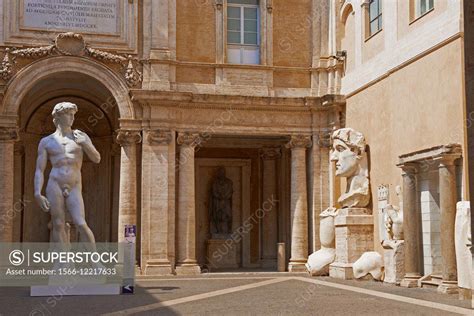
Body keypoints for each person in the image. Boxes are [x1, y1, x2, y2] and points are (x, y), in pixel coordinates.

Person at [34, 102, 101, 245]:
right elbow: (39, 169)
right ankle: (63, 262)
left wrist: (86, 144)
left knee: (80, 223)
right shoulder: (46, 142)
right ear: (57, 117)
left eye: (73, 115)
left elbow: (96, 158)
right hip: (54, 183)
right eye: (68, 114)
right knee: (58, 224)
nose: (72, 118)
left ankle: (95, 262)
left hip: (74, 184)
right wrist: (37, 193)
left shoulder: (80, 136)